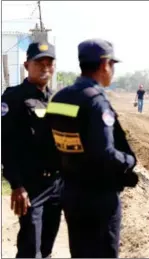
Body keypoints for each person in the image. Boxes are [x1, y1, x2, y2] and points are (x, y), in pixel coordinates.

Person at [44, 38, 139, 258]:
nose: (112, 71)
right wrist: (128, 161)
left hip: (71, 193)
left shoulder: (60, 97)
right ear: (105, 64)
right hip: (99, 198)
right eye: (112, 65)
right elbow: (104, 153)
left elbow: (51, 145)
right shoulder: (96, 101)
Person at [1, 41, 63, 258]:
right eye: (39, 63)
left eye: (49, 63)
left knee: (46, 248)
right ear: (27, 65)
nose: (45, 67)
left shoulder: (57, 100)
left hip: (56, 185)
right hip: (31, 186)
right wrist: (16, 185)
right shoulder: (13, 97)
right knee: (30, 250)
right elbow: (5, 143)